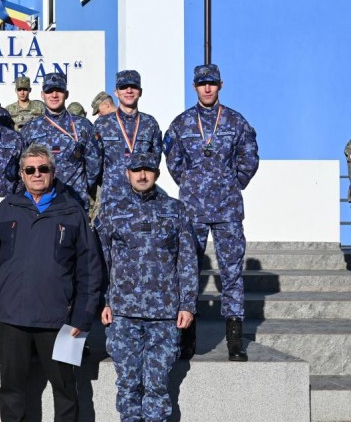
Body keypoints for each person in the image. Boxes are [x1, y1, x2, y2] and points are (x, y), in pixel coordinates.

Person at [0, 143, 103, 422]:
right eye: (30, 170)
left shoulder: (73, 211)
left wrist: (82, 317)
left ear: (53, 172)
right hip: (11, 318)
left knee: (66, 387)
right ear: (22, 175)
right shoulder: (8, 209)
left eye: (43, 169)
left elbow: (89, 269)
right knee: (11, 385)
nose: (37, 175)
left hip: (63, 322)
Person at [96, 152, 198, 422]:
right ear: (128, 172)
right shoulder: (111, 211)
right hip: (124, 312)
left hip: (164, 312)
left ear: (156, 172)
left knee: (157, 382)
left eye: (148, 170)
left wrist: (187, 304)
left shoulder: (175, 210)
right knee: (128, 381)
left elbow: (187, 260)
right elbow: (100, 261)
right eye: (137, 169)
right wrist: (102, 301)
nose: (142, 175)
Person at [163, 64, 259, 362]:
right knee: (189, 270)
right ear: (194, 86)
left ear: (220, 85)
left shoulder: (235, 121)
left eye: (212, 84)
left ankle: (234, 339)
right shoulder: (182, 123)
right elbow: (173, 159)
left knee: (231, 272)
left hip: (228, 208)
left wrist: (233, 183)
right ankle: (187, 337)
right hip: (192, 209)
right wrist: (191, 184)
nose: (207, 88)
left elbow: (250, 157)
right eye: (202, 84)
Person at [20, 72, 101, 210]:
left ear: (67, 93)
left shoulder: (83, 125)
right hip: (41, 203)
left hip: (74, 202)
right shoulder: (30, 128)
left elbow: (94, 163)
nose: (54, 95)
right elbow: (22, 165)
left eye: (59, 90)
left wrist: (80, 187)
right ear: (42, 95)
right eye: (49, 91)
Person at [92, 70, 162, 214]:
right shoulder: (102, 124)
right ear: (116, 92)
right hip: (112, 200)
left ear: (140, 92)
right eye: (123, 87)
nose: (129, 90)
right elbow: (94, 163)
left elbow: (155, 159)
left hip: (143, 201)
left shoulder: (150, 123)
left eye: (133, 87)